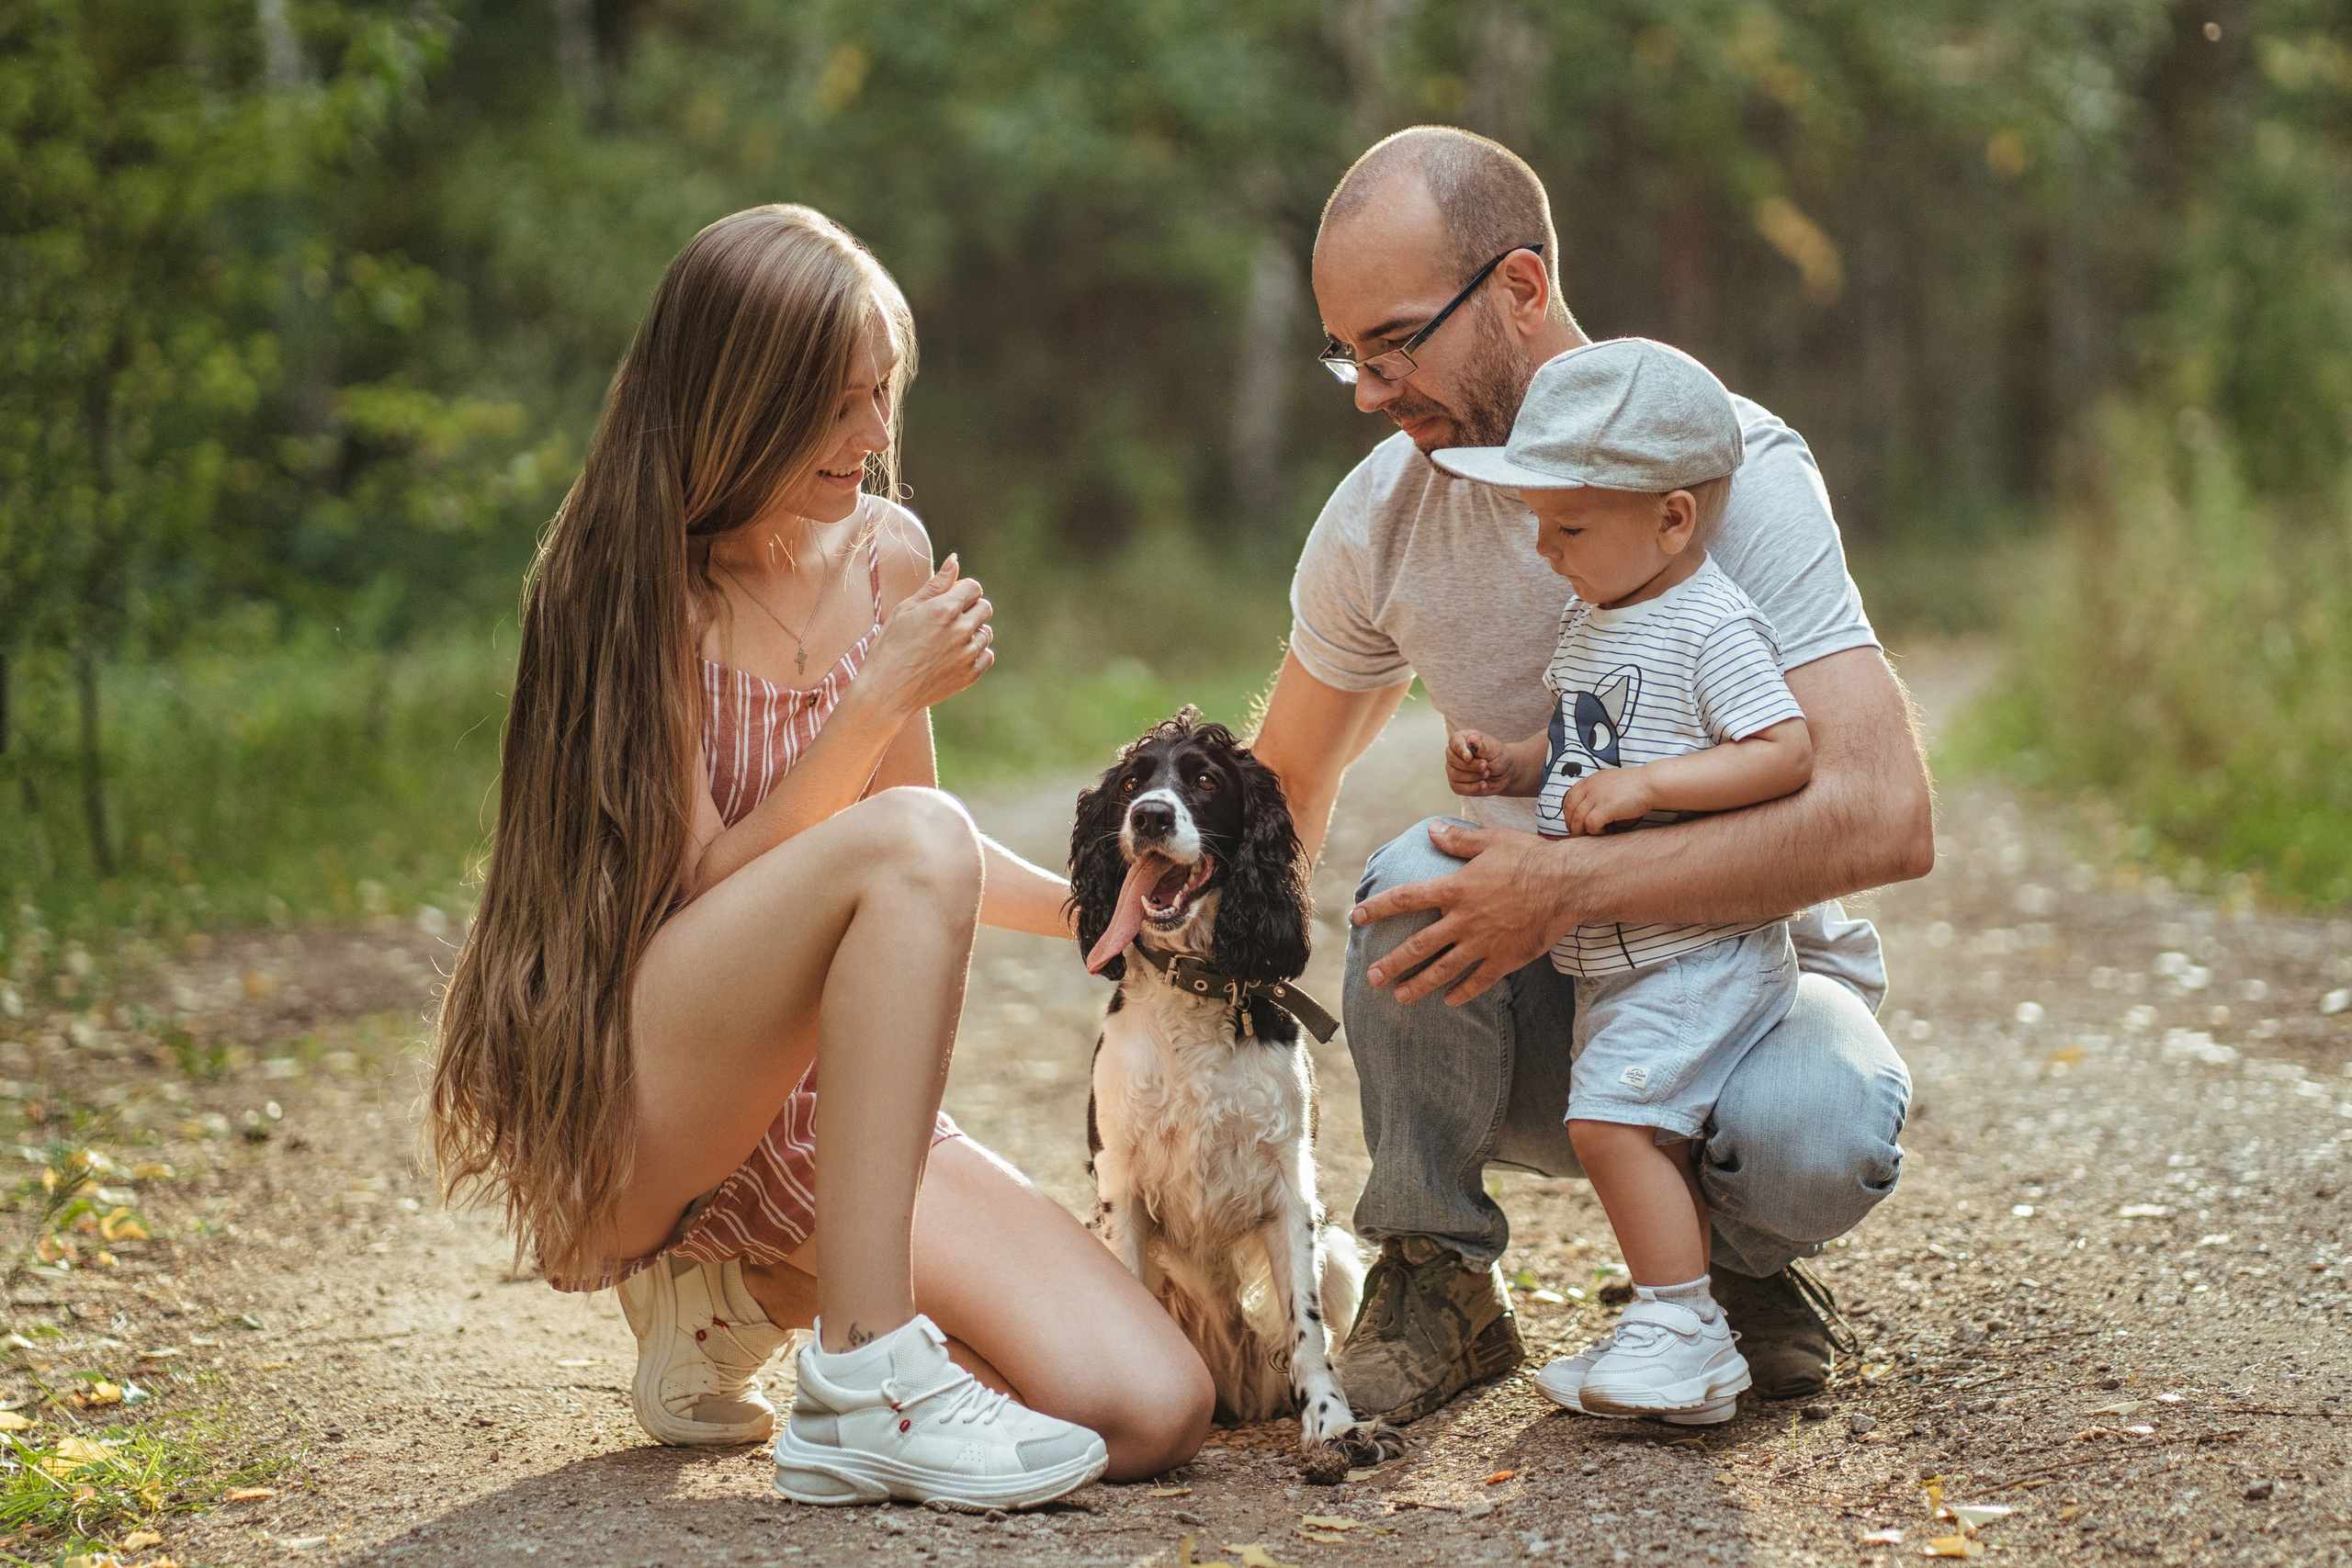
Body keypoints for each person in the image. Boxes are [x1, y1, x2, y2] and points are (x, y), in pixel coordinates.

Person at [428, 205, 1211, 1509]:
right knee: (898, 840)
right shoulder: (621, 582)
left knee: (1150, 1405)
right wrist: (872, 700)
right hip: (642, 1085)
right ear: (738, 402)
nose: (870, 438)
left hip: (825, 1121)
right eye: (835, 406)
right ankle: (862, 1376)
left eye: (879, 396)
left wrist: (1106, 911)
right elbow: (710, 895)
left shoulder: (887, 555)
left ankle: (738, 1294)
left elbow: (924, 864)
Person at [1248, 127, 1932, 1427]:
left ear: (1518, 286)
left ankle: (1733, 1269)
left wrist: (1566, 879)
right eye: (1349, 351)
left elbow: (1884, 811)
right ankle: (1437, 1270)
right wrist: (1173, 958)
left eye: (1396, 341)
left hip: (1749, 986)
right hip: (1557, 1014)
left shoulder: (1724, 474)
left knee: (1818, 1135)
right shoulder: (1384, 514)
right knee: (1411, 880)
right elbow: (1284, 781)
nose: (1368, 389)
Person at [1434, 337, 1817, 1423]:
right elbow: (1576, 747)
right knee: (1622, 1121)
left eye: (1567, 527)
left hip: (1699, 947)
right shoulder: (1596, 621)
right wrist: (1510, 765)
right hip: (1621, 954)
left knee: (1610, 1125)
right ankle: (1670, 1321)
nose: (1543, 548)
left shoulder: (1712, 623)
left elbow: (1781, 750)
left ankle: (1685, 1324)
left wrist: (1651, 790)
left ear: (1673, 519)